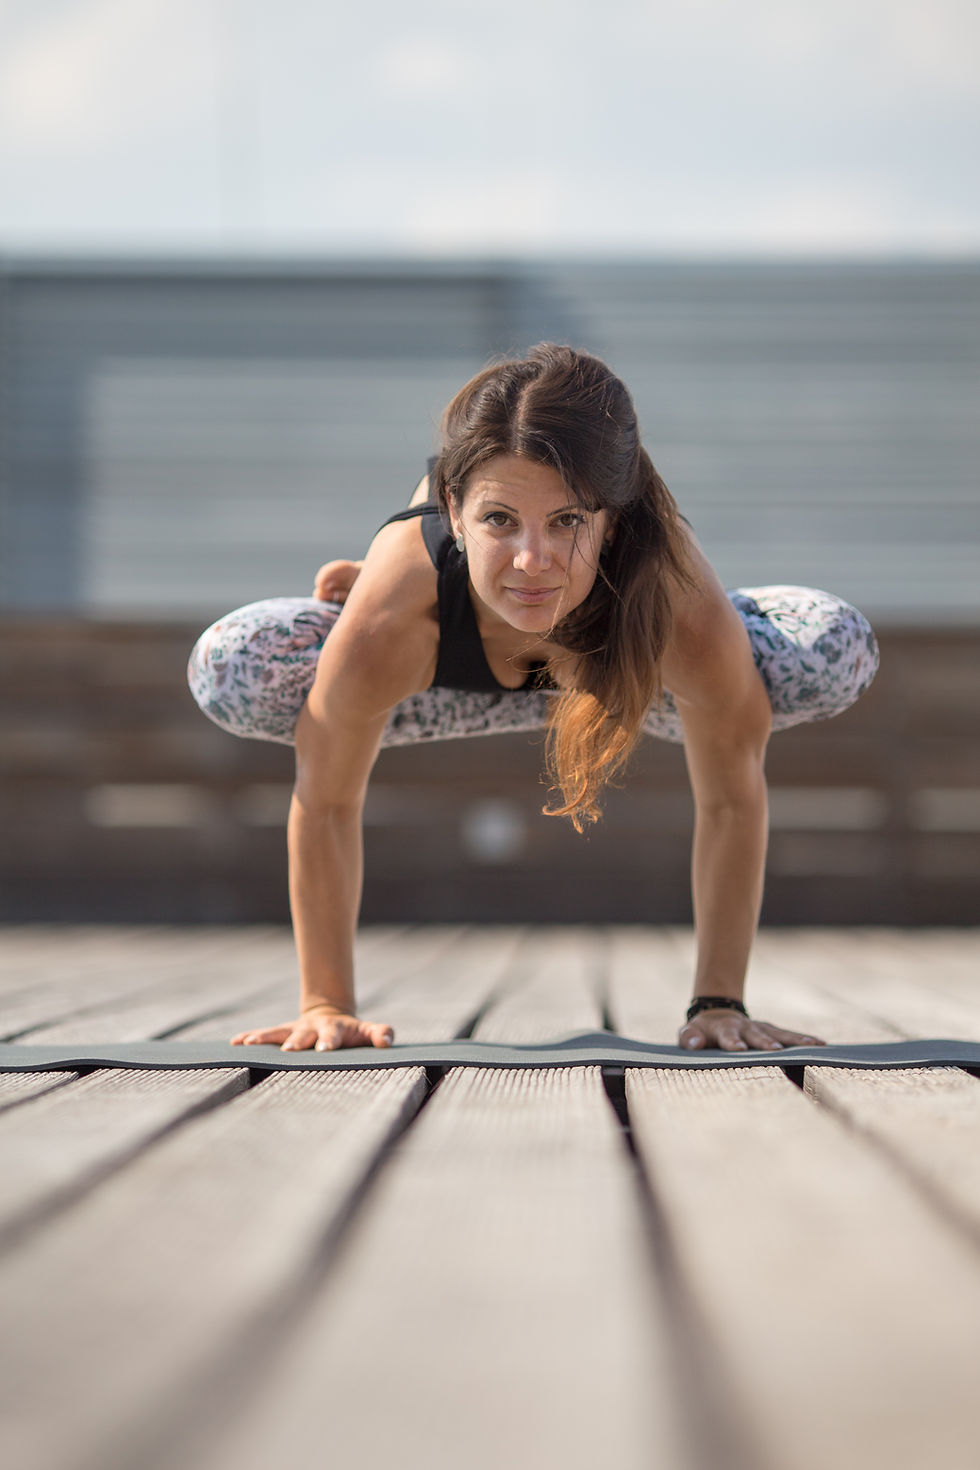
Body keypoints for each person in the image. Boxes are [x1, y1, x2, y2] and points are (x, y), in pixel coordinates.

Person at [188, 344, 879, 1055]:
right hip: (447, 676)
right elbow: (326, 799)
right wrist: (325, 1001)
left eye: (568, 522)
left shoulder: (678, 607)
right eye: (499, 522)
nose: (532, 560)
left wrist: (718, 1002)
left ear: (612, 521)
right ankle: (418, 586)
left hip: (621, 673)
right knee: (232, 664)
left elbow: (732, 799)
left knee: (835, 646)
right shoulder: (394, 622)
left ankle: (596, 617)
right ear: (453, 512)